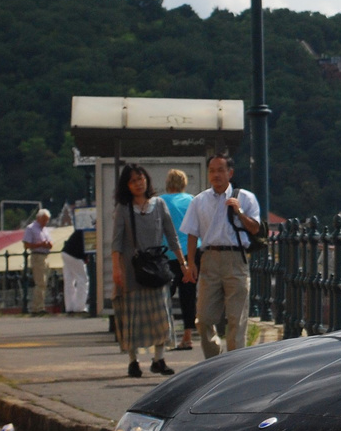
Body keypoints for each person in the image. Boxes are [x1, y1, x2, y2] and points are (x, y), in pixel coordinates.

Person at [111, 164, 187, 378]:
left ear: (147, 180)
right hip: (132, 270)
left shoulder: (160, 204)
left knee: (161, 314)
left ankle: (158, 359)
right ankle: (133, 360)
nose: (138, 183)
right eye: (133, 180)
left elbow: (172, 236)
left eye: (141, 178)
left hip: (157, 267)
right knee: (133, 316)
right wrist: (116, 268)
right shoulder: (123, 208)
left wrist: (183, 263)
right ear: (127, 185)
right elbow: (116, 243)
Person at [181, 154, 261, 358]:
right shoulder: (199, 200)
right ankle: (215, 359)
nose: (216, 175)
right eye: (212, 170)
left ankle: (233, 364)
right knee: (204, 318)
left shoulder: (246, 197)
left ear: (230, 173)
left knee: (236, 318)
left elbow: (255, 229)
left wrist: (239, 211)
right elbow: (192, 233)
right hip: (209, 258)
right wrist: (190, 264)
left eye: (220, 170)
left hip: (236, 258)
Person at [159, 169, 197, 350]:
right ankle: (188, 336)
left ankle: (166, 334)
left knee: (165, 295)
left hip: (168, 253)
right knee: (188, 295)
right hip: (191, 253)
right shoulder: (191, 200)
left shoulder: (160, 202)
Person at [23, 208, 54, 315]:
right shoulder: (31, 228)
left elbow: (50, 242)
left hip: (45, 256)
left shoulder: (45, 229)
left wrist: (49, 245)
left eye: (47, 220)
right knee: (40, 282)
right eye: (44, 220)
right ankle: (37, 308)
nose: (46, 222)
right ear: (38, 218)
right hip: (37, 256)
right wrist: (40, 244)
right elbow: (26, 245)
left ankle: (39, 306)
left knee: (44, 283)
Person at [62, 226, 89, 314]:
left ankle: (69, 307)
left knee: (69, 280)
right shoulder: (90, 231)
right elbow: (87, 247)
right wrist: (85, 257)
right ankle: (80, 307)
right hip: (75, 255)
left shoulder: (82, 229)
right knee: (83, 279)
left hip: (65, 252)